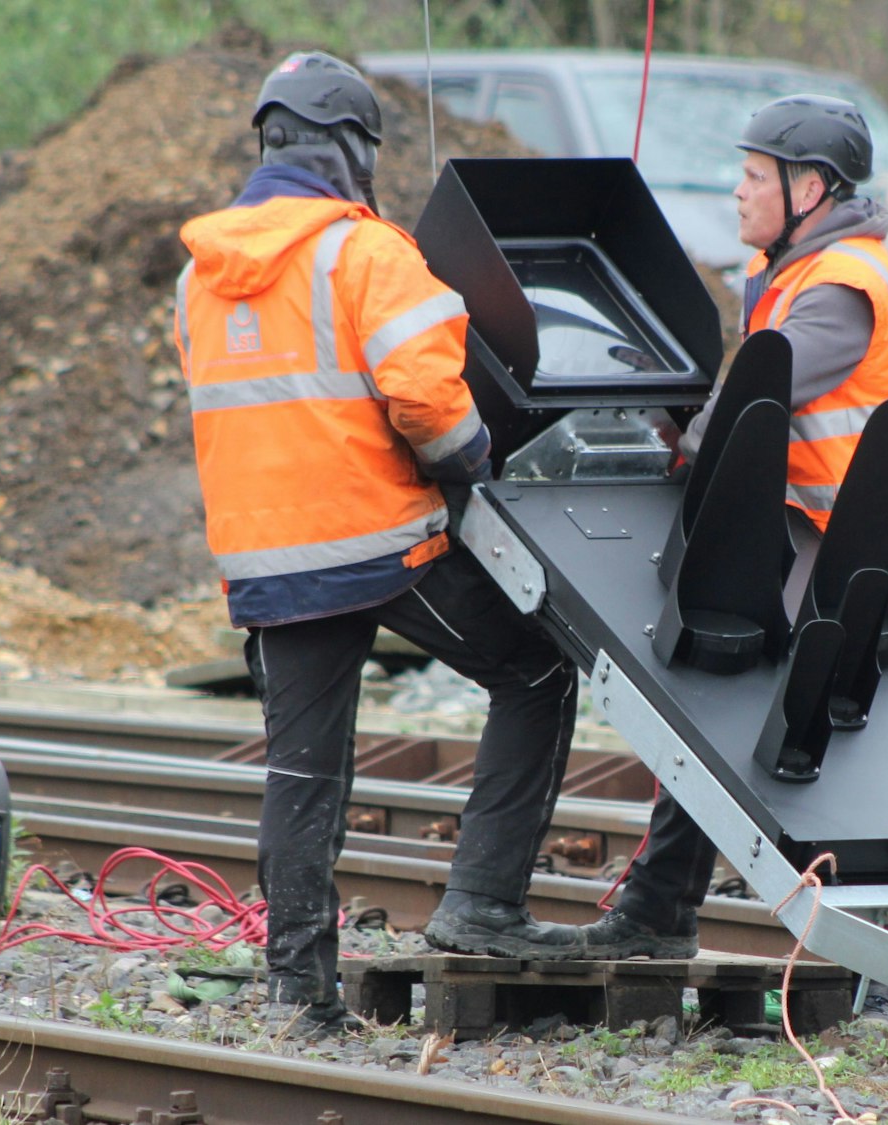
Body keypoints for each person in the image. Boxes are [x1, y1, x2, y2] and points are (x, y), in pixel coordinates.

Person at [174, 50, 586, 1038]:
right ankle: (483, 903)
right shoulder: (367, 253)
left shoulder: (201, 272)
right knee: (537, 673)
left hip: (269, 565)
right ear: (351, 147)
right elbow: (429, 409)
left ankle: (298, 994)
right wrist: (475, 461)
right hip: (379, 543)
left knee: (303, 773)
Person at [580, 94, 888, 1022]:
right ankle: (657, 906)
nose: (739, 192)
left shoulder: (842, 286)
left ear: (811, 188)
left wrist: (689, 440)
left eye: (754, 177)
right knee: (709, 696)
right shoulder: (791, 268)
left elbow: (767, 388)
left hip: (881, 565)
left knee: (870, 761)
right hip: (816, 546)